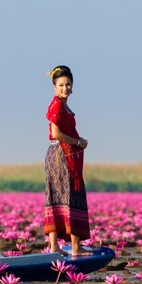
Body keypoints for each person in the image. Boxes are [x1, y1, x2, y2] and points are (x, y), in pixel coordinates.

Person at [44, 65, 91, 256]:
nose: (65, 88)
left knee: (58, 196)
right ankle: (75, 247)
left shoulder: (63, 105)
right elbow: (56, 133)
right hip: (61, 157)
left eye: (68, 84)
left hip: (62, 155)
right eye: (61, 85)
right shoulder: (56, 105)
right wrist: (79, 142)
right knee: (69, 196)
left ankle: (55, 246)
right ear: (55, 87)